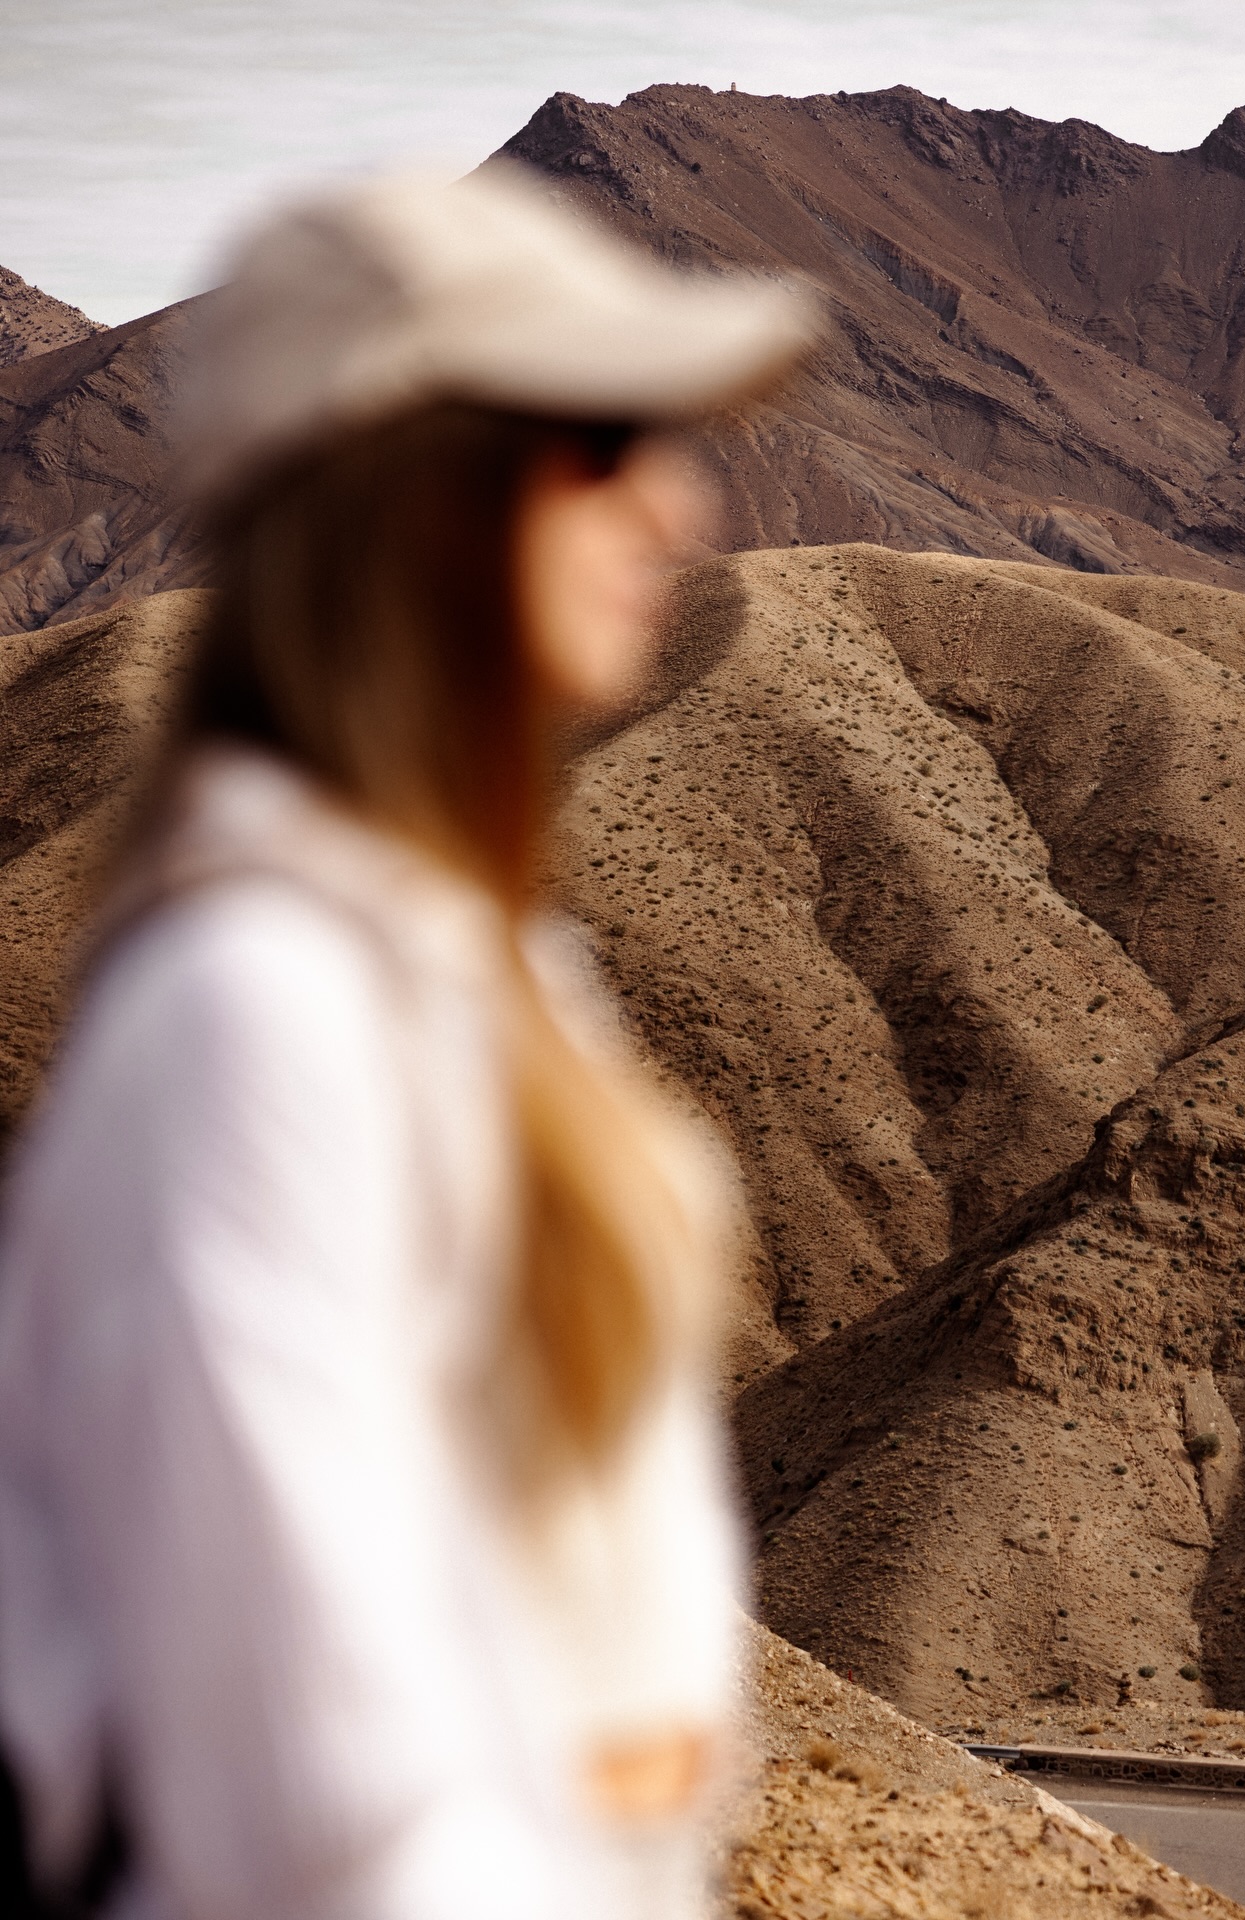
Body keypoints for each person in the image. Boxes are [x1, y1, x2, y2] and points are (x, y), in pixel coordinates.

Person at [0, 164, 815, 1920]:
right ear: (415, 497)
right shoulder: (254, 1019)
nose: (676, 509)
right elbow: (312, 1822)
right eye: (600, 444)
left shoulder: (465, 975)